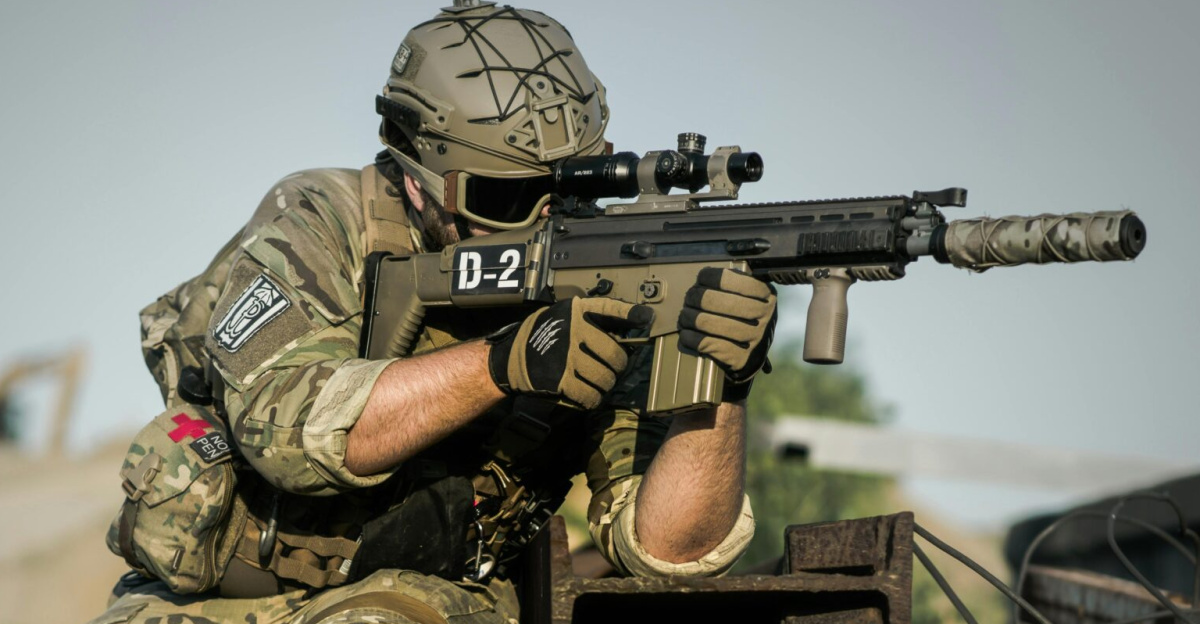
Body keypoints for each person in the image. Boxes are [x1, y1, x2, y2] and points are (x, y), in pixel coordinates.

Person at [90, 2, 776, 623]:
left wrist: (716, 389)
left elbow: (666, 550)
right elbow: (290, 432)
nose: (540, 222)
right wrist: (504, 363)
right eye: (503, 200)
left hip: (419, 602)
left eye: (567, 192)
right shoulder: (326, 224)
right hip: (208, 597)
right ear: (417, 178)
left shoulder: (613, 281)